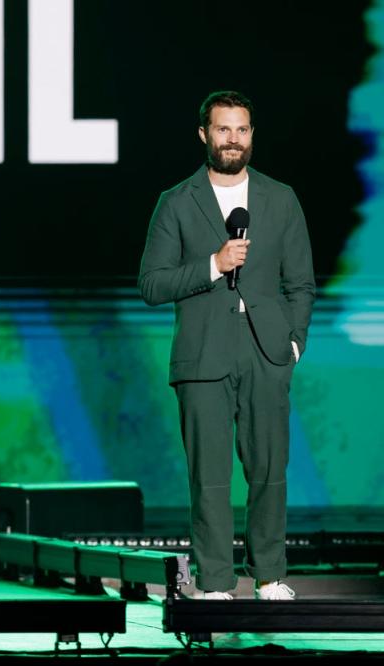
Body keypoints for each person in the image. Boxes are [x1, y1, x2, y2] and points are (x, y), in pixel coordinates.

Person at [139, 91, 315, 600]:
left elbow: (300, 282)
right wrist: (214, 265)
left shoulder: (280, 198)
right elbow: (151, 284)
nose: (232, 139)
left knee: (268, 470)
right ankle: (215, 580)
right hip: (202, 355)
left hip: (266, 352)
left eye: (241, 130)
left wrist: (294, 343)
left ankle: (269, 575)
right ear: (204, 134)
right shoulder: (176, 201)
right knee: (209, 477)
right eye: (223, 129)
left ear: (252, 135)